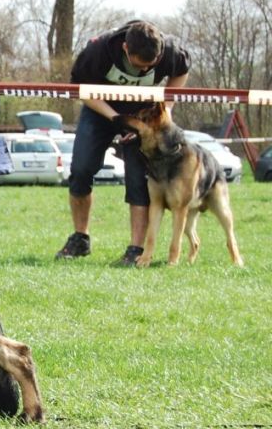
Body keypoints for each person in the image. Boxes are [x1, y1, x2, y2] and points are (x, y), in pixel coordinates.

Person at [56, 20, 190, 267]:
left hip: (143, 115)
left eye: (148, 68)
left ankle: (135, 249)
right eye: (138, 66)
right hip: (99, 110)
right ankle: (80, 238)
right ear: (126, 49)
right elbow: (80, 89)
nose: (142, 73)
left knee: (139, 180)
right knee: (81, 170)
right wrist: (116, 119)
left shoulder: (170, 50)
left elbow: (181, 71)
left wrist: (166, 109)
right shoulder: (98, 50)